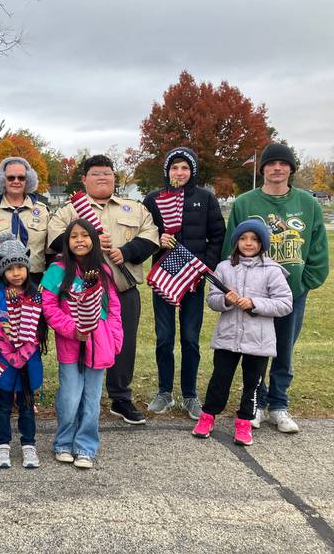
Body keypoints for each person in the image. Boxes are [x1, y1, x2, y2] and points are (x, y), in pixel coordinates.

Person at [223, 143, 329, 433]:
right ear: (263, 169)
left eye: (283, 163)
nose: (277, 168)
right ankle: (256, 403)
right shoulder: (245, 203)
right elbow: (230, 247)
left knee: (284, 349)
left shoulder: (308, 204)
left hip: (291, 294)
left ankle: (279, 405)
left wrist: (303, 283)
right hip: (252, 295)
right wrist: (236, 285)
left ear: (291, 169)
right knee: (256, 350)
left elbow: (318, 247)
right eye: (271, 164)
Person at [47, 155, 159, 425]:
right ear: (84, 179)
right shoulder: (69, 211)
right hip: (79, 295)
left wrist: (127, 252)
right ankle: (81, 399)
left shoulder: (134, 208)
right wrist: (91, 240)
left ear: (114, 178)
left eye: (107, 173)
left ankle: (120, 397)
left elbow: (151, 236)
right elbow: (55, 239)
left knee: (123, 344)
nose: (102, 178)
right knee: (81, 342)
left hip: (121, 288)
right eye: (95, 173)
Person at [193, 220, 293, 446]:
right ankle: (207, 417)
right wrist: (226, 301)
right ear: (236, 241)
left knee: (253, 384)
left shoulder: (272, 270)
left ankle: (244, 422)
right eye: (243, 238)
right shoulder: (224, 268)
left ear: (262, 243)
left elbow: (285, 304)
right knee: (219, 380)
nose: (248, 243)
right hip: (227, 337)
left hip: (258, 340)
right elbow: (212, 300)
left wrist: (254, 303)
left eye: (255, 239)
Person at [142, 147, 225, 420]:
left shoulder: (206, 198)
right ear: (167, 171)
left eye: (185, 168)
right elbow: (143, 234)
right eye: (174, 167)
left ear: (193, 171)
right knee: (164, 338)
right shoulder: (154, 199)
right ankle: (164, 391)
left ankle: (190, 394)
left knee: (190, 338)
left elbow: (218, 235)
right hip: (165, 275)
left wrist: (204, 267)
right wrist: (158, 240)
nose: (179, 172)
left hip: (193, 278)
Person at [41, 219, 123, 469]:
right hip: (70, 344)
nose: (79, 240)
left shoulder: (103, 271)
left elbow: (114, 307)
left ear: (94, 240)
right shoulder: (57, 270)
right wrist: (72, 330)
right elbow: (49, 307)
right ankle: (63, 442)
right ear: (67, 242)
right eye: (74, 236)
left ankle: (85, 446)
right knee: (70, 397)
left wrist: (115, 337)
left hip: (100, 344)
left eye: (85, 235)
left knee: (91, 399)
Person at [0, 234, 46, 470]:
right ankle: (2, 443)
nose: (16, 273)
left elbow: (39, 327)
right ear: (2, 271)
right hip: (4, 359)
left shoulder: (36, 294)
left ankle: (28, 443)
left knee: (26, 404)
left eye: (20, 267)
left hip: (29, 358)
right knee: (3, 404)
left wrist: (24, 350)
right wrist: (10, 351)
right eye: (10, 268)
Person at [0, 156, 50, 285]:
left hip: (34, 280)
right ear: (2, 180)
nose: (16, 181)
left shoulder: (42, 211)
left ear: (28, 180)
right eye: (11, 178)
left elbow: (50, 251)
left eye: (21, 177)